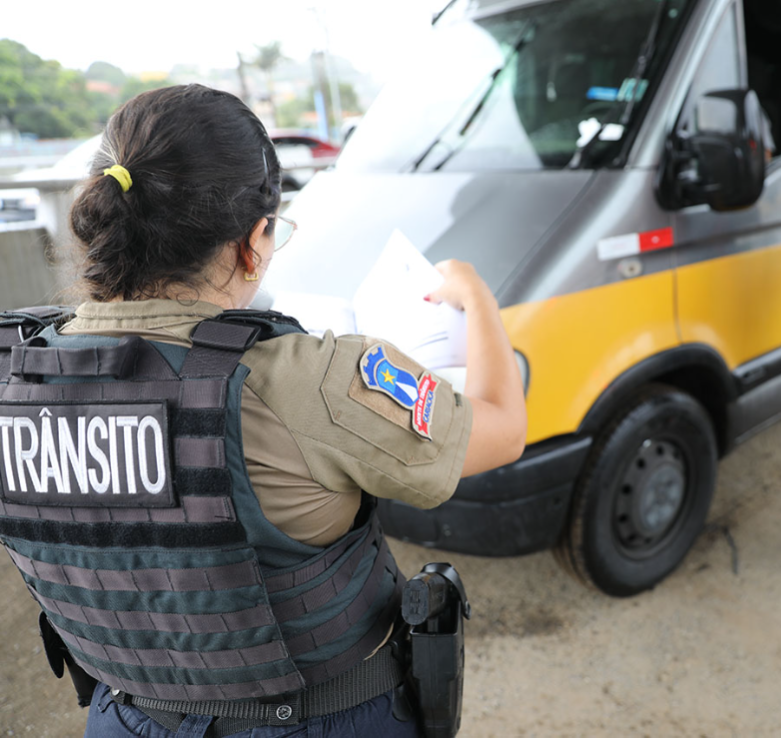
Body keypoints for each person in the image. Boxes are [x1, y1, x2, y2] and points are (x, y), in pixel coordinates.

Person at [0, 84, 527, 737]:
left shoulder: (12, 372)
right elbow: (502, 429)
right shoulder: (304, 377)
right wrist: (478, 299)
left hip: (122, 714)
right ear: (253, 242)